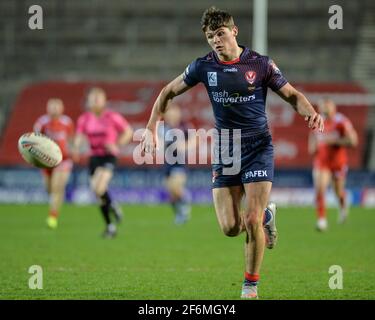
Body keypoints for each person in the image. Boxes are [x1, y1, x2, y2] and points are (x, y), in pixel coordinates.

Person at [141, 7, 324, 299]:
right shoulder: (203, 66)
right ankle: (267, 215)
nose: (215, 40)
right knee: (229, 227)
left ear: (234, 31)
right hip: (226, 148)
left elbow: (292, 95)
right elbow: (167, 92)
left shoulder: (260, 64)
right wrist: (151, 127)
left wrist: (310, 112)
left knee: (250, 221)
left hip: (258, 146)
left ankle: (250, 285)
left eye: (221, 33)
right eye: (210, 36)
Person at [73, 87, 133, 238]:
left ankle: (111, 212)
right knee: (97, 192)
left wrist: (117, 145)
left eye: (97, 98)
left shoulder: (112, 116)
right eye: (92, 99)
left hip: (108, 156)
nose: (94, 101)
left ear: (104, 101)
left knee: (99, 188)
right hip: (94, 157)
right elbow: (79, 136)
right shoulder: (84, 118)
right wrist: (76, 147)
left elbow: (128, 131)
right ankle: (110, 225)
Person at [308, 98, 357, 231]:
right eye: (322, 107)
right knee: (320, 189)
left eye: (327, 106)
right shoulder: (317, 121)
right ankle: (321, 220)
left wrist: (335, 141)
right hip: (321, 162)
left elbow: (353, 141)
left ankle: (342, 206)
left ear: (333, 107)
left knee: (338, 192)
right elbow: (313, 138)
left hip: (338, 162)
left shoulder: (341, 121)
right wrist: (312, 147)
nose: (324, 109)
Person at [33, 98, 75, 229]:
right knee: (49, 189)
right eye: (52, 106)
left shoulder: (67, 122)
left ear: (62, 108)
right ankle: (55, 205)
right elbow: (35, 141)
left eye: (57, 106)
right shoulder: (42, 123)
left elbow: (71, 139)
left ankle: (52, 217)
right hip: (46, 161)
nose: (55, 109)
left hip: (63, 160)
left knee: (57, 187)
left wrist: (74, 151)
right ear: (47, 108)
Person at [159, 103, 192, 225]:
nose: (172, 115)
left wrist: (184, 146)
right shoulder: (162, 128)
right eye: (170, 112)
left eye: (175, 112)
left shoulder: (184, 127)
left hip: (180, 162)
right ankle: (179, 214)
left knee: (176, 187)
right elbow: (159, 143)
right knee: (171, 193)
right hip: (167, 163)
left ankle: (185, 199)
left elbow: (194, 141)